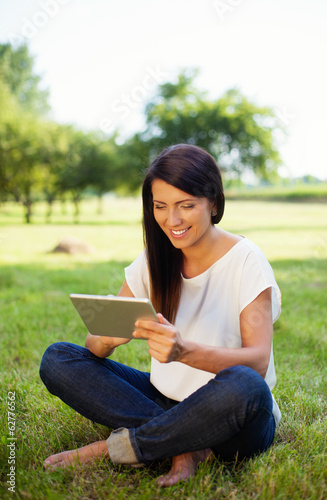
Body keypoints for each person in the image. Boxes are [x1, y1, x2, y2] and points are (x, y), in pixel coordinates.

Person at [39, 144, 281, 487]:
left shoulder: (246, 260)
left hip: (234, 414)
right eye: (160, 206)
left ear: (213, 202)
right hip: (165, 398)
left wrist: (185, 352)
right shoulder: (153, 260)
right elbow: (93, 347)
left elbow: (256, 363)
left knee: (246, 384)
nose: (173, 220)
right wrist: (108, 337)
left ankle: (116, 448)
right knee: (58, 359)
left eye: (186, 205)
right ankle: (185, 445)